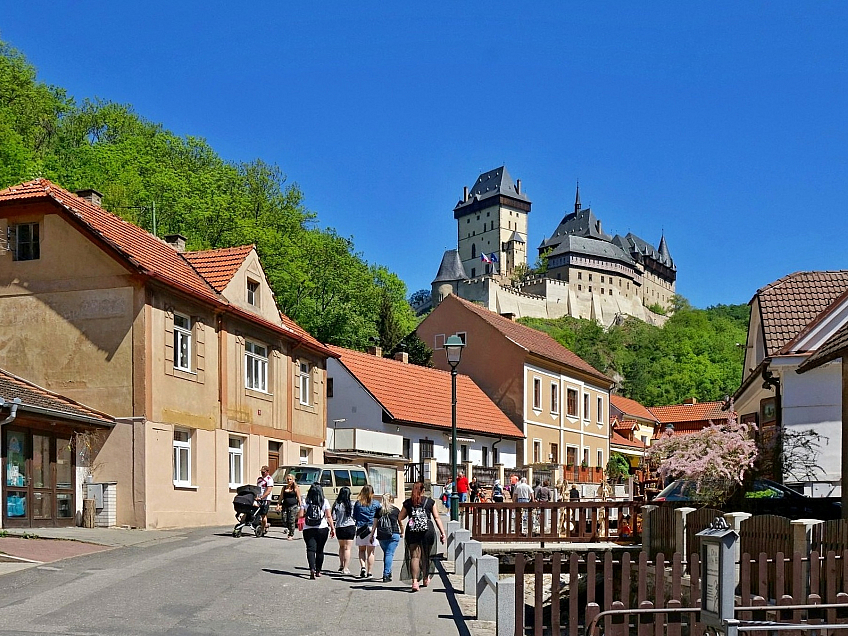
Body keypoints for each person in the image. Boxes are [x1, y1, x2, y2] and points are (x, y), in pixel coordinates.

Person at [399, 481, 446, 592]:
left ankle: (415, 582)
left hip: (412, 531)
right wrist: (442, 533)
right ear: (423, 491)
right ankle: (425, 578)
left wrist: (402, 527)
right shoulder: (430, 502)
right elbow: (437, 518)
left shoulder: (408, 503)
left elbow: (400, 517)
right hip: (427, 531)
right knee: (426, 555)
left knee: (415, 557)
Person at [299, 482, 335, 579]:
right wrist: (332, 528)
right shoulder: (325, 501)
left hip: (308, 528)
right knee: (320, 550)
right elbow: (328, 516)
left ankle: (312, 569)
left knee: (310, 549)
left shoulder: (305, 501)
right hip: (322, 528)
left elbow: (300, 515)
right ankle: (318, 571)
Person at [371, 493, 401, 582]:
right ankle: (386, 574)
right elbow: (400, 522)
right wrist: (402, 531)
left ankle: (389, 571)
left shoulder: (379, 511)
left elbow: (375, 524)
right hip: (393, 534)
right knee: (389, 553)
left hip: (382, 535)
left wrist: (372, 534)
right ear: (391, 500)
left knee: (387, 553)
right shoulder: (395, 510)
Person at [352, 484, 380, 579]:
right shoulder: (376, 503)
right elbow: (379, 516)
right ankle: (370, 572)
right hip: (372, 528)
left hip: (361, 528)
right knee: (371, 552)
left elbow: (354, 516)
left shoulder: (358, 503)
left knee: (361, 550)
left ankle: (363, 567)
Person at [332, 486, 356, 574]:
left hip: (339, 527)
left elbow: (334, 516)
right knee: (347, 548)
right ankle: (345, 568)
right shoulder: (352, 504)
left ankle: (341, 565)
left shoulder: (337, 504)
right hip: (350, 526)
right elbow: (354, 516)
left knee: (341, 547)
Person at [275, 472, 301, 541]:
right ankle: (289, 529)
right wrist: (278, 505)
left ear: (293, 480)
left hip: (293, 506)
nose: (288, 481)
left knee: (291, 520)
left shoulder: (295, 488)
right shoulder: (284, 488)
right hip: (285, 506)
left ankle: (291, 534)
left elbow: (299, 498)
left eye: (290, 479)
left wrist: (301, 507)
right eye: (287, 479)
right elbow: (281, 497)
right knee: (284, 519)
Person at [255, 465, 273, 536]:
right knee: (256, 512)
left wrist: (262, 497)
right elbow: (257, 489)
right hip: (259, 498)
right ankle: (264, 525)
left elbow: (269, 490)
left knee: (263, 514)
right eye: (261, 472)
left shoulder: (269, 479)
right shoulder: (259, 479)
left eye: (264, 472)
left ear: (267, 472)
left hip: (266, 499)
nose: (262, 473)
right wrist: (256, 496)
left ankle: (263, 528)